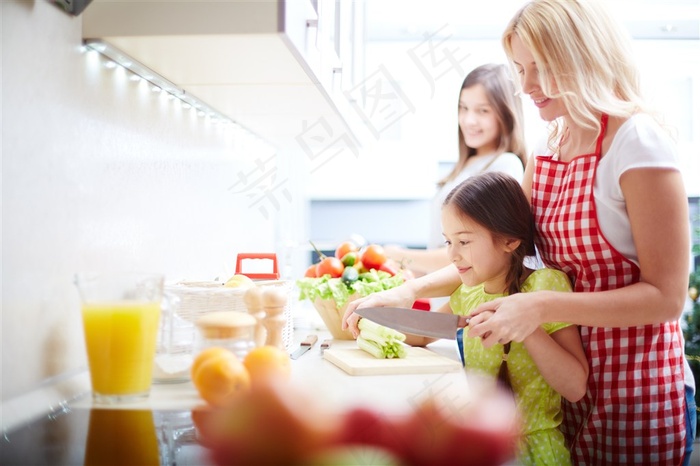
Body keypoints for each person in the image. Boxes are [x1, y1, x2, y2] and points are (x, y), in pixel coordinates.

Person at [344, 0, 696, 464]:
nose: (525, 86)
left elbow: (667, 298)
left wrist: (539, 306)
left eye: (540, 69)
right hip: (562, 384)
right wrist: (407, 292)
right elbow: (498, 249)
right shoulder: (552, 146)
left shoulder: (638, 143)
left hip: (634, 387)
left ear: (582, 58)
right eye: (519, 69)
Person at [413, 172, 589, 465]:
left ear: (509, 241)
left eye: (464, 241)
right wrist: (369, 320)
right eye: (448, 242)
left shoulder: (545, 285)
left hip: (535, 451)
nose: (453, 255)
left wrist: (526, 327)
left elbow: (574, 387)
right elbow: (421, 333)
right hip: (480, 446)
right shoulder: (469, 293)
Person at [383, 63, 527, 277]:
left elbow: (471, 253)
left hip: (471, 303)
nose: (469, 120)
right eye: (464, 108)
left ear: (505, 114)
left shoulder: (505, 165)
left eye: (483, 110)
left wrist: (399, 255)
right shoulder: (465, 167)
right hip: (446, 299)